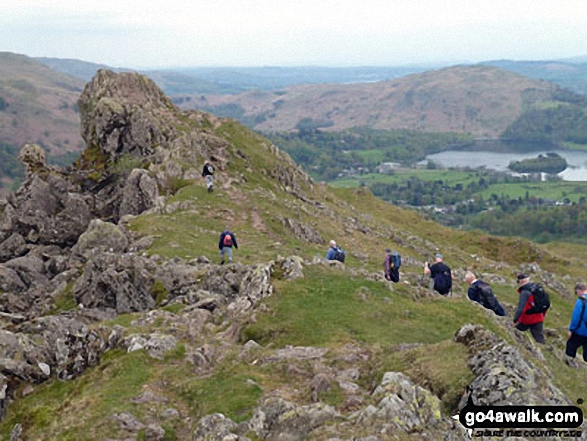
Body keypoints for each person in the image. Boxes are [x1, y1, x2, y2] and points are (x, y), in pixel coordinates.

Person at [513, 273, 546, 344]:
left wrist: (515, 320)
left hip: (527, 319)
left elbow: (521, 308)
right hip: (539, 317)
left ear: (520, 282)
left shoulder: (525, 292)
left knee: (514, 332)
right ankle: (546, 351)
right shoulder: (536, 288)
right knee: (539, 338)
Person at [565, 282, 587, 364]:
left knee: (571, 346)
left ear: (579, 290)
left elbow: (576, 317)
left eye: (576, 292)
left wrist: (571, 329)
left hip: (580, 331)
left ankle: (569, 363)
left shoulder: (580, 301)